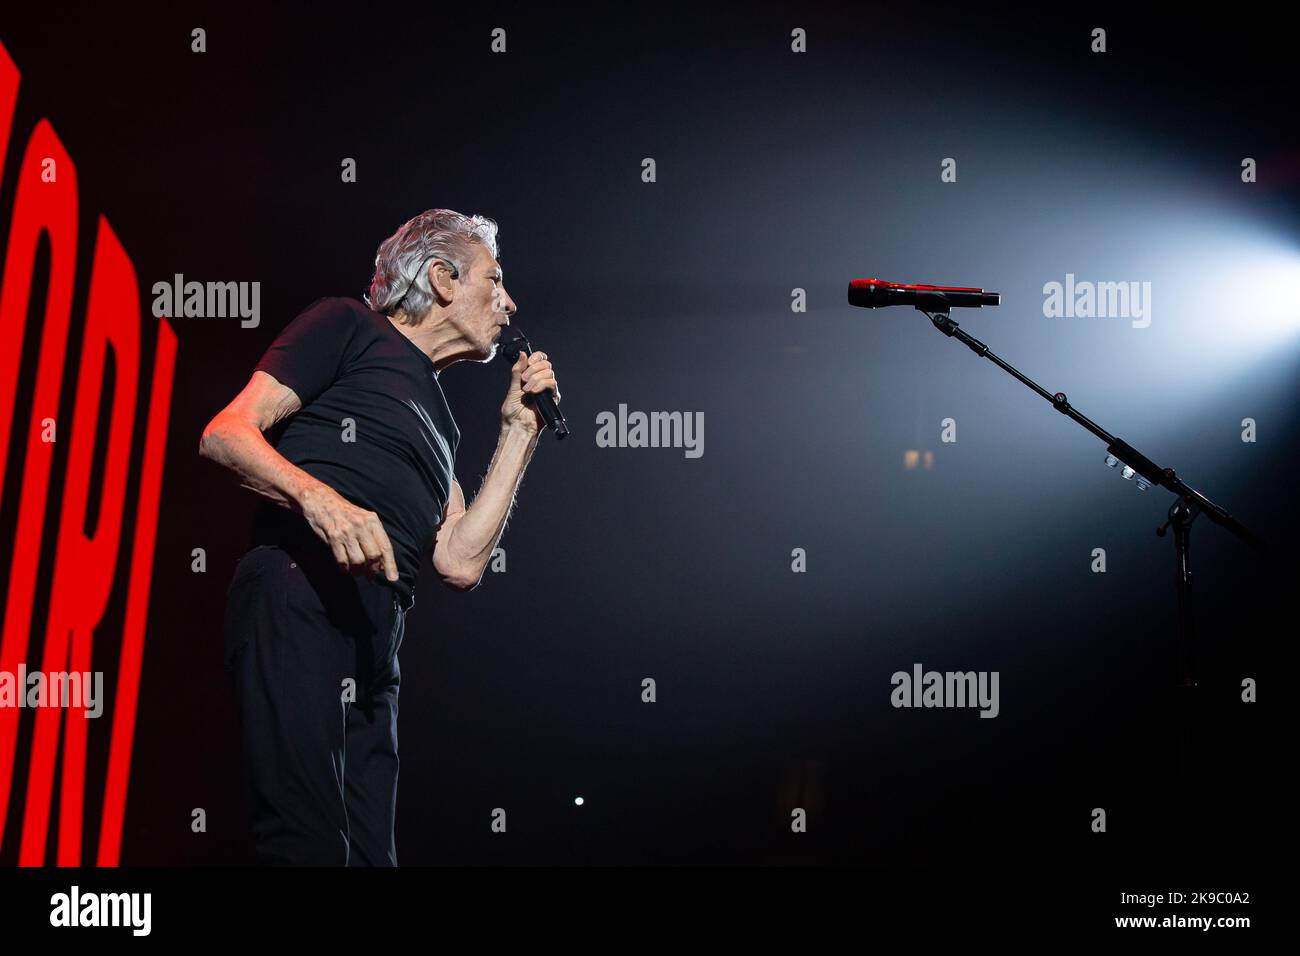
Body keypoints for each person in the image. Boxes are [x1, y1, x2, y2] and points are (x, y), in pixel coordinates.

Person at [199, 209, 560, 865]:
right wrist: (321, 500)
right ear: (444, 279)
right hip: (298, 590)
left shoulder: (442, 426)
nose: (509, 303)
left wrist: (518, 434)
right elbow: (225, 434)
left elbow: (459, 559)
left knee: (369, 858)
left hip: (375, 642)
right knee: (306, 843)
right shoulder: (347, 326)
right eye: (496, 279)